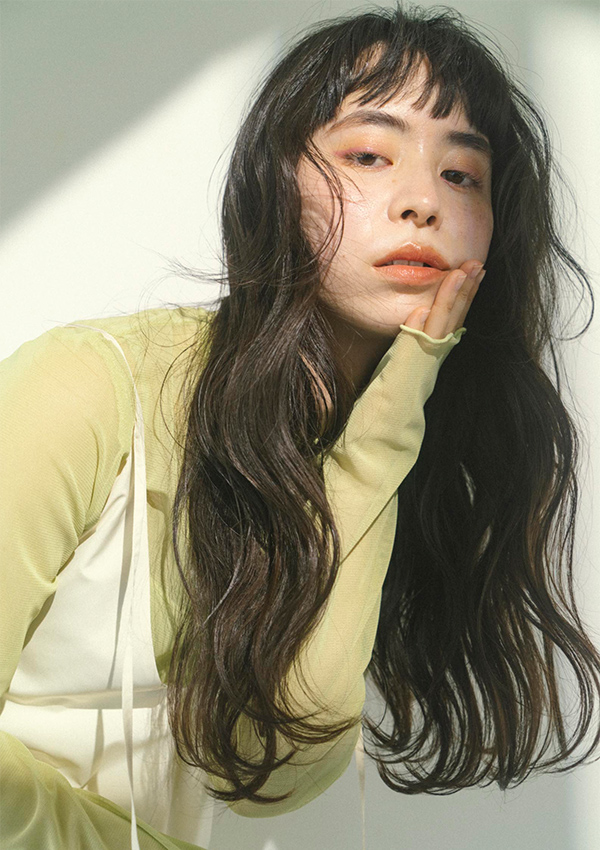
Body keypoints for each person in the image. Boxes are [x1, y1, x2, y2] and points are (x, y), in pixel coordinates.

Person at [1, 3, 599, 849]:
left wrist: (381, 435)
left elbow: (274, 765)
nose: (423, 201)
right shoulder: (84, 388)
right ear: (274, 183)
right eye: (369, 155)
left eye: (462, 175)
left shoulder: (406, 438)